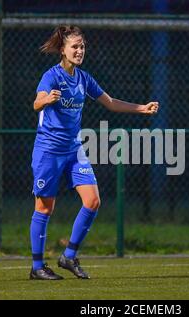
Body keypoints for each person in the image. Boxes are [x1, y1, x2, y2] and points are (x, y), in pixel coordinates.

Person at [29, 25, 159, 280]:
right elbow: (36, 102)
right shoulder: (51, 76)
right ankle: (36, 267)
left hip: (74, 149)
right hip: (49, 150)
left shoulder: (83, 78)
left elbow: (109, 102)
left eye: (82, 46)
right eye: (74, 47)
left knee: (93, 201)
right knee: (45, 208)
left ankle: (68, 256)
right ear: (63, 50)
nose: (79, 51)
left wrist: (141, 108)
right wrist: (46, 100)